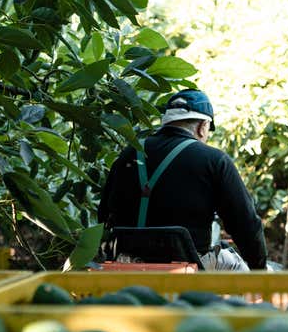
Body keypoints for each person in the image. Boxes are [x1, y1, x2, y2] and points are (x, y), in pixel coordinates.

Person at [98, 89, 268, 270]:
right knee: (234, 263)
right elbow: (245, 224)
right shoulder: (214, 160)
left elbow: (103, 214)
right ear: (203, 126)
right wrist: (259, 266)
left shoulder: (128, 154)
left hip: (126, 264)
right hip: (187, 268)